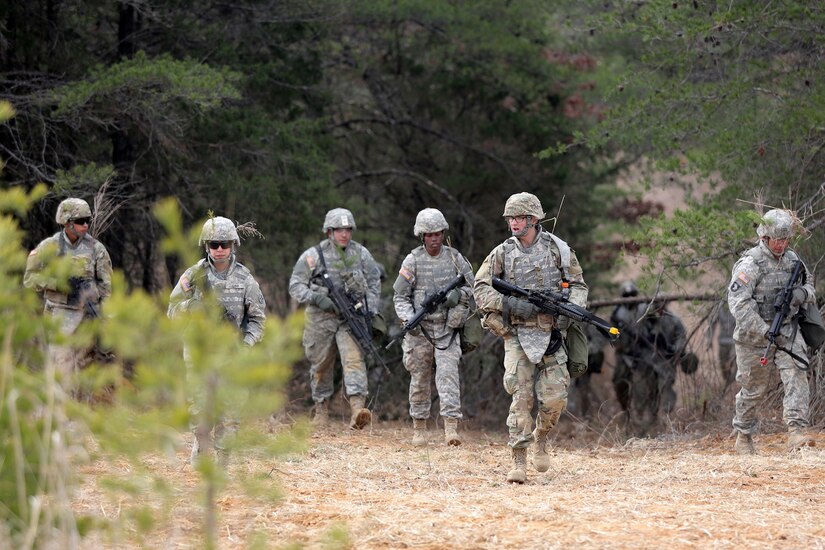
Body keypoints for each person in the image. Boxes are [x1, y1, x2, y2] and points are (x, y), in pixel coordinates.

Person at [473, 192, 588, 484]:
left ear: (533, 219)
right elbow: (481, 288)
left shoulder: (558, 250)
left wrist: (570, 311)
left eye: (519, 217)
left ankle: (542, 438)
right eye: (511, 217)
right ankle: (519, 460)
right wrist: (509, 304)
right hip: (518, 334)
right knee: (520, 397)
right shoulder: (502, 253)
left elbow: (579, 286)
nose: (513, 223)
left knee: (554, 400)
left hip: (552, 334)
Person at [168, 216, 266, 464]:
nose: (219, 249)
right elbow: (172, 311)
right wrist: (193, 305)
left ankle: (223, 459)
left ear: (233, 244)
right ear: (206, 245)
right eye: (214, 244)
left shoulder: (245, 279)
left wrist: (246, 345)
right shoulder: (193, 275)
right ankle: (201, 447)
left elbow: (257, 320)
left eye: (224, 243)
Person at [728, 209, 817, 454]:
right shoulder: (751, 264)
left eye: (786, 239)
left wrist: (801, 294)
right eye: (778, 239)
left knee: (797, 375)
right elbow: (738, 303)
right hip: (754, 336)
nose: (782, 244)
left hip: (787, 330)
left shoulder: (792, 259)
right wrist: (764, 330)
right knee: (753, 389)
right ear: (765, 237)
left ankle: (796, 433)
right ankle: (744, 435)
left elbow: (810, 286)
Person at [289, 208, 382, 430]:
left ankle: (357, 410)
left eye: (348, 229)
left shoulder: (360, 254)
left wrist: (369, 311)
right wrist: (316, 298)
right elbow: (296, 285)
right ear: (329, 231)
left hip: (350, 319)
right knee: (321, 364)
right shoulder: (313, 256)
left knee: (353, 360)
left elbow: (374, 282)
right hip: (321, 319)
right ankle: (321, 410)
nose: (345, 234)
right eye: (339, 230)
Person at [392, 208, 475, 446]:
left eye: (438, 233)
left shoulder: (454, 258)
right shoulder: (413, 260)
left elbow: (474, 287)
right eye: (429, 235)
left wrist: (457, 296)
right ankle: (419, 428)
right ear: (422, 236)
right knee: (419, 378)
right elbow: (400, 296)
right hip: (420, 332)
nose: (434, 238)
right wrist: (409, 320)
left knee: (448, 377)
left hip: (447, 329)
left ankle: (451, 429)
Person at [24, 198, 113, 383]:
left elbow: (106, 289)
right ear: (67, 223)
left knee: (84, 370)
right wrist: (57, 283)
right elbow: (29, 279)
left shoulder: (97, 249)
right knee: (61, 366)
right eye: (80, 221)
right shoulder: (49, 247)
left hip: (87, 316)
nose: (86, 225)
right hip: (58, 315)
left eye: (88, 220)